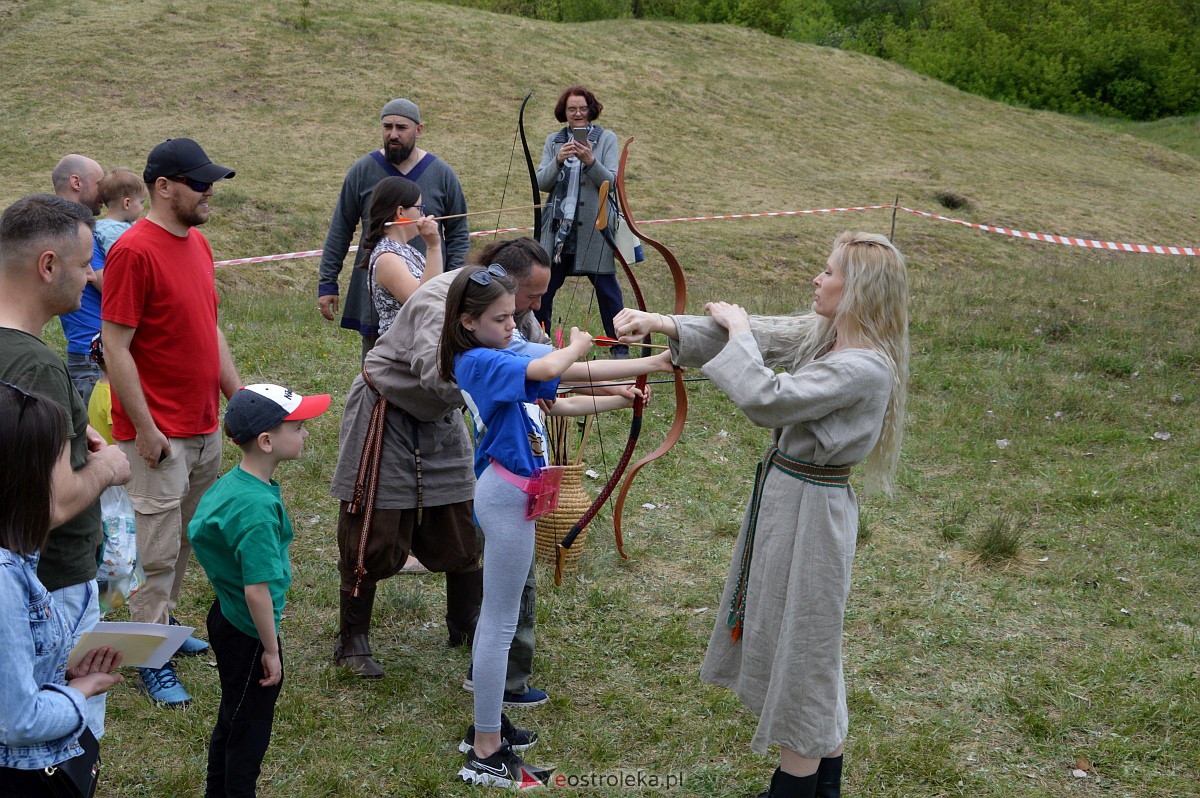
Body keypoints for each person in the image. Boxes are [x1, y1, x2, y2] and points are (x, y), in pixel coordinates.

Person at [614, 232, 909, 798]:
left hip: (814, 514)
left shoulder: (866, 368)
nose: (816, 281)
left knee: (808, 649)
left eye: (828, 273)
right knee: (798, 642)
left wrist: (741, 332)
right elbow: (771, 333)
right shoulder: (828, 337)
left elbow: (767, 398)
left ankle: (797, 784)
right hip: (788, 501)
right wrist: (665, 322)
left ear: (858, 291)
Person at [440, 264, 671, 786]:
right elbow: (554, 368)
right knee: (498, 623)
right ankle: (484, 749)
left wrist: (637, 380)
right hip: (504, 495)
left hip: (515, 492)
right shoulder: (477, 362)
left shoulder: (502, 351)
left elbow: (560, 389)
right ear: (468, 322)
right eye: (501, 318)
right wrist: (582, 345)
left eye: (512, 316)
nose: (511, 326)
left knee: (499, 619)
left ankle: (489, 725)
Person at [102, 137, 243, 707]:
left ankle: (159, 623)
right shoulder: (134, 251)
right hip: (158, 435)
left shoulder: (199, 245)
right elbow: (115, 346)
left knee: (186, 536)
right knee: (154, 549)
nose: (210, 193)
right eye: (200, 183)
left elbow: (208, 327)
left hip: (204, 425)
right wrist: (147, 427)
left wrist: (237, 394)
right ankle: (147, 656)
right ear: (164, 187)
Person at [0, 194, 132, 743]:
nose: (90, 278)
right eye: (83, 265)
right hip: (46, 587)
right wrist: (109, 469)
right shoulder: (37, 364)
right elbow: (50, 504)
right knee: (52, 740)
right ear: (47, 265)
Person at [188, 384, 331, 798]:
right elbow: (257, 592)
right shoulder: (256, 510)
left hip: (226, 616)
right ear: (267, 441)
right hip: (250, 631)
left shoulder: (232, 485)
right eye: (298, 427)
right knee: (248, 732)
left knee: (233, 716)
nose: (305, 434)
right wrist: (271, 649)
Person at [0, 381, 125, 797]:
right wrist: (80, 691)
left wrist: (58, 673)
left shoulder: (17, 558)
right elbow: (19, 720)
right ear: (26, 477)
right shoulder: (4, 577)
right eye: (63, 462)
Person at [318, 98, 470, 361]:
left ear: (419, 130)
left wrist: (453, 282)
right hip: (378, 287)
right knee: (376, 363)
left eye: (401, 127)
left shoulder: (442, 174)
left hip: (429, 287)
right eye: (387, 127)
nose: (393, 134)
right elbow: (341, 228)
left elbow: (458, 234)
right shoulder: (363, 171)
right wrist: (327, 282)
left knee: (428, 359)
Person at [534, 85, 626, 356]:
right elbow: (540, 182)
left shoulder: (606, 138)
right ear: (564, 111)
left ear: (591, 110)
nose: (577, 114)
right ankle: (540, 344)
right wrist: (558, 161)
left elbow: (611, 181)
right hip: (559, 230)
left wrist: (590, 160)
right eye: (571, 109)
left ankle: (619, 346)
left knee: (609, 293)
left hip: (595, 230)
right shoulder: (554, 141)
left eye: (582, 108)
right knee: (543, 289)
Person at [52, 154, 107, 406]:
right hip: (95, 357)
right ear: (76, 182)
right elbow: (112, 287)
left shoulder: (58, 225)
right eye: (100, 183)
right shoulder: (77, 231)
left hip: (86, 353)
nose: (105, 193)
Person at [362, 175, 444, 336]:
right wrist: (433, 246)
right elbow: (425, 303)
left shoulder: (405, 250)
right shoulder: (387, 258)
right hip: (402, 352)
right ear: (400, 212)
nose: (423, 215)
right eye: (419, 208)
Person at [94, 167, 148, 256]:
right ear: (127, 203)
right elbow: (122, 258)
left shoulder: (126, 225)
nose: (142, 207)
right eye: (141, 202)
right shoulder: (111, 232)